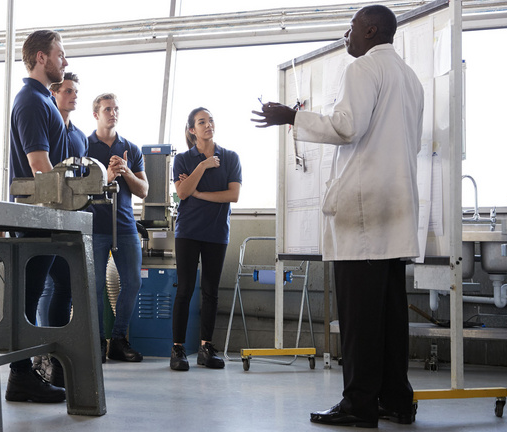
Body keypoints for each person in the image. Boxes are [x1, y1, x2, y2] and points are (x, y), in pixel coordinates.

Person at [251, 5, 423, 428]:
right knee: (389, 316)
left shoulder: (363, 69)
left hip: (364, 212)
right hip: (396, 209)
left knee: (361, 317)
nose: (346, 35)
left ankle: (359, 404)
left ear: (369, 29)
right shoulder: (411, 78)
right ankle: (397, 400)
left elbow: (348, 126)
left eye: (349, 28)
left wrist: (292, 116)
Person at [6, 29, 70, 403]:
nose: (65, 60)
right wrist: (67, 200)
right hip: (39, 214)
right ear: (42, 58)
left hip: (51, 215)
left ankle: (52, 364)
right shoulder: (30, 101)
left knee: (63, 284)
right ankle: (21, 375)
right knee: (30, 296)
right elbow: (39, 165)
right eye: (60, 54)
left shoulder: (43, 100)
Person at [169, 107, 241, 371]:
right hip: (188, 232)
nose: (208, 125)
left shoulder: (231, 157)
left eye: (211, 120)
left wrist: (199, 194)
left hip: (216, 233)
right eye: (202, 122)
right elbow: (183, 192)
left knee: (211, 291)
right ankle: (177, 349)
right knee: (185, 289)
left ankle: (205, 348)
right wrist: (203, 165)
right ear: (192, 130)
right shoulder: (183, 160)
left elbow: (232, 195)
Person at [87, 93, 148, 363]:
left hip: (125, 226)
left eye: (116, 109)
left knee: (133, 282)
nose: (113, 113)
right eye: (107, 109)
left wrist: (126, 172)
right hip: (94, 226)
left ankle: (119, 340)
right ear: (96, 114)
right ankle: (97, 341)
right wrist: (106, 177)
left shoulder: (131, 149)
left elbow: (144, 190)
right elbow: (75, 188)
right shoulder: (83, 146)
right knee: (95, 285)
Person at [37, 72, 88, 328]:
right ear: (54, 93)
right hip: (47, 212)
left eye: (75, 91)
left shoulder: (80, 136)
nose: (73, 96)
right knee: (47, 283)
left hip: (71, 215)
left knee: (65, 284)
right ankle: (40, 348)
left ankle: (54, 347)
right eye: (67, 90)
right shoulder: (48, 128)